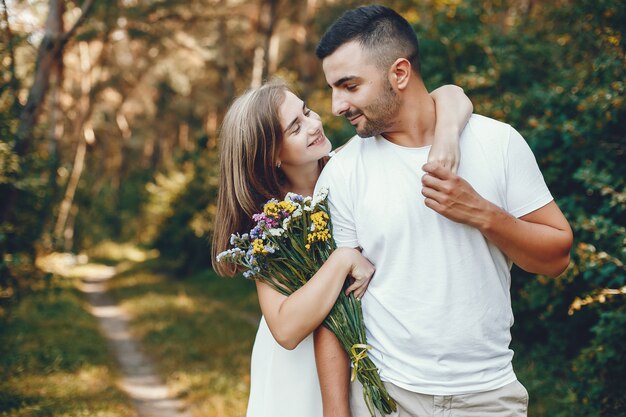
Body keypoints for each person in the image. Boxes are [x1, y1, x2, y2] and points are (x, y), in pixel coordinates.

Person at [314, 5, 573, 417]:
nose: (336, 105)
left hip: (489, 397)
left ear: (399, 73)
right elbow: (331, 308)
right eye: (333, 88)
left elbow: (557, 256)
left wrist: (482, 214)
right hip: (387, 396)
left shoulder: (498, 142)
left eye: (348, 86)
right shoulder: (343, 172)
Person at [211, 78, 473, 417]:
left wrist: (447, 136)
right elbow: (286, 330)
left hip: (373, 350)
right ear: (271, 155)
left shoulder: (350, 167)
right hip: (298, 369)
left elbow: (452, 94)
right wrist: (342, 259)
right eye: (295, 127)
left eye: (306, 111)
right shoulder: (269, 223)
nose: (314, 124)